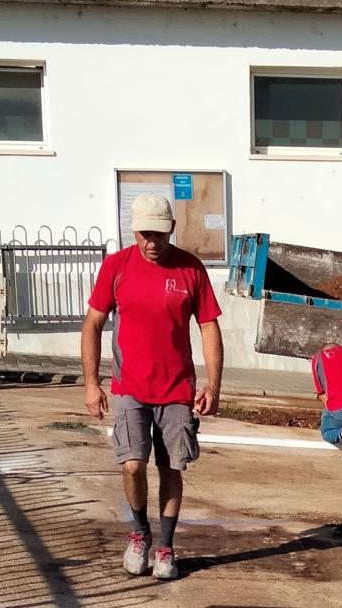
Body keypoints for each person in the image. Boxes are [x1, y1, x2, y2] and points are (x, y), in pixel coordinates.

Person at [81, 194, 224, 581]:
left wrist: (214, 383)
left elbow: (209, 325)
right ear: (134, 230)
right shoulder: (116, 267)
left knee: (172, 467)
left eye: (159, 234)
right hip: (130, 387)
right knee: (131, 465)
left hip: (178, 389)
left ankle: (166, 546)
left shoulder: (191, 269)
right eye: (145, 234)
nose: (151, 242)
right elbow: (92, 324)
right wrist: (92, 384)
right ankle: (140, 534)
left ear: (171, 229)